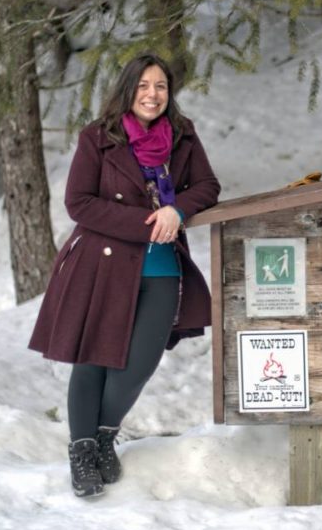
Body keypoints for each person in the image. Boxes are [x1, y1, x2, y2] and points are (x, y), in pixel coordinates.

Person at [29, 53, 220, 497]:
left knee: (138, 365)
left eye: (161, 87)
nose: (152, 95)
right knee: (93, 357)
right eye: (144, 86)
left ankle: (102, 436)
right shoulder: (98, 138)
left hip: (161, 267)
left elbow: (208, 186)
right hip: (103, 263)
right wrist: (148, 222)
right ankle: (83, 453)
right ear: (128, 89)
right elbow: (79, 202)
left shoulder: (183, 137)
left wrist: (178, 209)